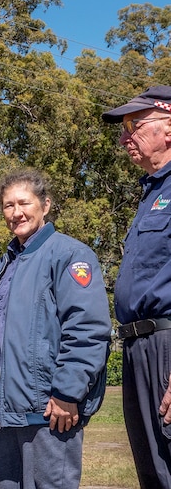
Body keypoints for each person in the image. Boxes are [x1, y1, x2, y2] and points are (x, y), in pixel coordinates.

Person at [0, 169, 111, 489]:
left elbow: (88, 328)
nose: (16, 212)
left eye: (24, 203)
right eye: (8, 205)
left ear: (45, 205)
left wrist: (67, 393)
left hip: (48, 413)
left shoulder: (70, 255)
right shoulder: (0, 268)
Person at [102, 85, 171, 488]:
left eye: (135, 126)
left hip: (165, 345)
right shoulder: (152, 193)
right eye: (123, 129)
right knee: (153, 471)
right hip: (137, 348)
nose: (126, 138)